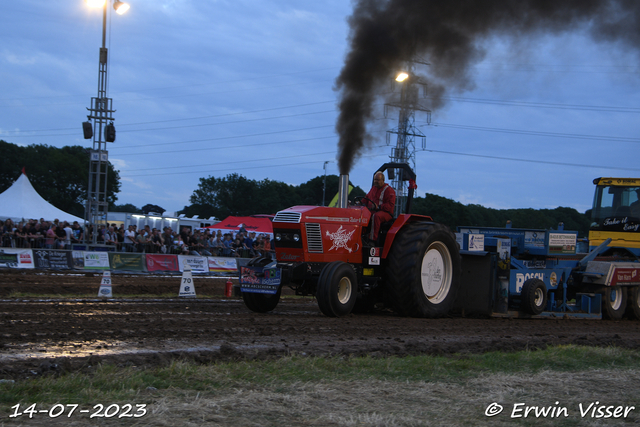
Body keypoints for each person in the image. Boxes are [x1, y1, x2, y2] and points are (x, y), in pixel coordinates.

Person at [363, 171, 396, 243]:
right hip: (373, 210)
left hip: (386, 213)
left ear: (383, 180)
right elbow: (366, 198)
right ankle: (362, 236)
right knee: (362, 214)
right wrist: (359, 203)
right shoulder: (373, 189)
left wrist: (378, 206)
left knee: (376, 216)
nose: (376, 181)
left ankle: (372, 240)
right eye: (375, 180)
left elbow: (390, 206)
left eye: (378, 180)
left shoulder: (389, 190)